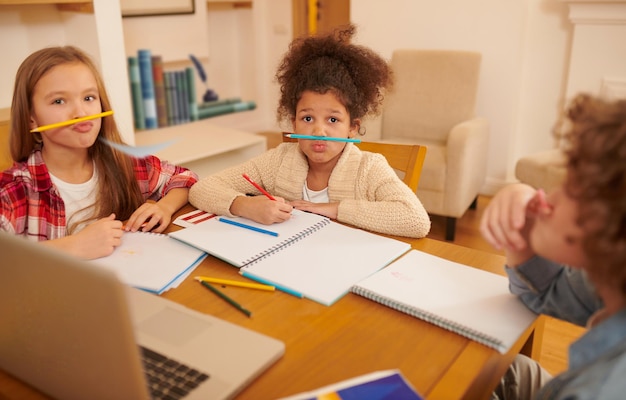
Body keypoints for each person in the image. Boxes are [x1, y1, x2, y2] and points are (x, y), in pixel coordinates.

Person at [189, 25, 430, 238]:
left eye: (333, 119)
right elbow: (202, 189)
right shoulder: (277, 161)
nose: (319, 130)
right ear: (293, 123)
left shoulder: (369, 168)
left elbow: (416, 220)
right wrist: (244, 205)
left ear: (352, 127)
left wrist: (332, 209)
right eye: (307, 118)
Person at [480, 93, 626, 399]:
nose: (552, 196)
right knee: (503, 368)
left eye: (572, 184)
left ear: (609, 221)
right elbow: (546, 293)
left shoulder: (600, 390)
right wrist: (525, 227)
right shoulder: (610, 281)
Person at [0, 46, 198, 260]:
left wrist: (164, 208)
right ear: (31, 117)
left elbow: (185, 179)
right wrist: (73, 246)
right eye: (59, 101)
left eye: (89, 98)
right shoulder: (15, 189)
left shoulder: (124, 163)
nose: (81, 113)